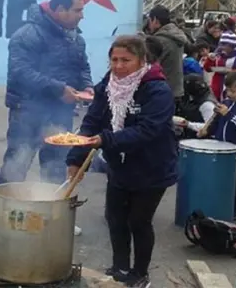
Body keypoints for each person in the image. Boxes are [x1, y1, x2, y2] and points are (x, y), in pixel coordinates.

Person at [67, 35, 178, 288]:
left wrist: (105, 140)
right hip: (120, 164)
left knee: (138, 221)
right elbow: (92, 121)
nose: (118, 66)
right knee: (115, 217)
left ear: (141, 60)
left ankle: (140, 274)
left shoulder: (156, 89)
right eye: (114, 59)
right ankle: (119, 268)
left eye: (125, 60)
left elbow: (148, 130)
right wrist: (76, 157)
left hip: (152, 166)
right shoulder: (107, 85)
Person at [0, 0, 93, 233]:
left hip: (61, 112)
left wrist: (87, 86)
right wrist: (59, 89)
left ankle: (56, 218)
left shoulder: (75, 37)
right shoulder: (28, 34)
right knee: (17, 162)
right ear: (60, 10)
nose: (82, 16)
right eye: (78, 10)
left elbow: (83, 66)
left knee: (58, 164)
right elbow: (20, 72)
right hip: (27, 110)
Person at [206, 72, 236, 222]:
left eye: (233, 91)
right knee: (218, 179)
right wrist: (208, 130)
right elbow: (216, 118)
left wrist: (229, 114)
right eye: (227, 90)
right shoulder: (227, 102)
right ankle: (218, 205)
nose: (229, 94)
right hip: (220, 148)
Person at [147, 5, 189, 99]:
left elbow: (149, 66)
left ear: (155, 21)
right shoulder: (175, 36)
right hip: (176, 89)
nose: (148, 25)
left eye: (149, 21)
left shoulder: (160, 40)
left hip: (161, 91)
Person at [202, 31, 236, 100]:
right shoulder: (218, 53)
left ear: (232, 45)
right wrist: (210, 59)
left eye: (224, 45)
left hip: (234, 89)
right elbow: (207, 68)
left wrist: (232, 71)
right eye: (221, 44)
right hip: (218, 88)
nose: (222, 47)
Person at [177, 73, 216, 139]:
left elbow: (212, 127)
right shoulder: (195, 98)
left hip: (202, 141)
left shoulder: (206, 104)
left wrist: (189, 124)